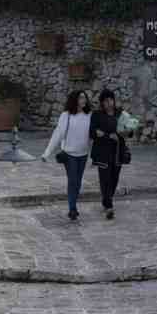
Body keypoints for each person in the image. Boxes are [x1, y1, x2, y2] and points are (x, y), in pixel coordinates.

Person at [43, 90, 92, 221]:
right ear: (74, 99)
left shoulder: (89, 115)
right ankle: (72, 208)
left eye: (85, 98)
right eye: (81, 98)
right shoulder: (66, 116)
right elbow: (57, 134)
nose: (84, 100)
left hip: (83, 154)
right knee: (72, 180)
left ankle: (73, 204)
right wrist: (47, 152)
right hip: (69, 155)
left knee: (78, 182)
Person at [90, 89, 129, 220]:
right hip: (102, 152)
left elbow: (129, 130)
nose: (109, 103)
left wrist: (126, 133)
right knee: (105, 178)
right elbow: (92, 132)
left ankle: (107, 199)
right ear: (102, 102)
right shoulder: (97, 115)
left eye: (111, 99)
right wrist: (105, 135)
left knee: (114, 178)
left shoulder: (121, 114)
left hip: (118, 151)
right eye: (106, 101)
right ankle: (109, 206)